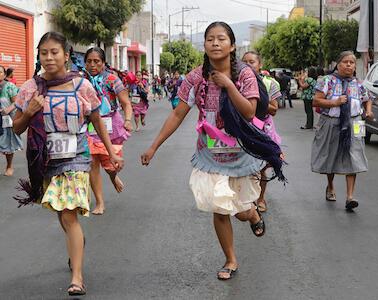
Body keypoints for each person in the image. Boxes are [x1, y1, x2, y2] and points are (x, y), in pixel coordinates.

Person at [141, 22, 268, 281]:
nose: (215, 43)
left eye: (221, 39)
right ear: (205, 45)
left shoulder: (244, 75)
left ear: (232, 45)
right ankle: (230, 259)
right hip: (210, 157)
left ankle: (252, 213)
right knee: (219, 208)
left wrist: (228, 85)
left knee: (241, 211)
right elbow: (178, 113)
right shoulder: (195, 77)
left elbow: (249, 111)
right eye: (210, 39)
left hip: (241, 154)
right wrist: (154, 146)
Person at [13, 32, 124, 296]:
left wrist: (111, 153)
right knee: (64, 214)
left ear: (66, 55)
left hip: (77, 157)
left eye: (54, 52)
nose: (49, 58)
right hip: (45, 159)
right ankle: (78, 245)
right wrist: (29, 112)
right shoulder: (30, 88)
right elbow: (17, 128)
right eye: (44, 53)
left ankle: (77, 277)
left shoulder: (82, 86)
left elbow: (97, 121)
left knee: (68, 212)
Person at [311, 51, 373, 210]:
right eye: (345, 62)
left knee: (355, 156)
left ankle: (350, 196)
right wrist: (335, 102)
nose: (348, 65)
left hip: (356, 122)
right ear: (337, 64)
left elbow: (367, 99)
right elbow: (316, 101)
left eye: (351, 62)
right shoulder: (327, 81)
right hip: (331, 122)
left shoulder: (358, 83)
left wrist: (369, 111)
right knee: (330, 155)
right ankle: (330, 185)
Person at [84, 47, 133, 215]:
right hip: (89, 126)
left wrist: (127, 120)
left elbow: (126, 103)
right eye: (89, 61)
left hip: (112, 126)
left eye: (96, 61)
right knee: (92, 163)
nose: (92, 65)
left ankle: (113, 176)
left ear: (103, 63)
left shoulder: (112, 79)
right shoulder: (81, 81)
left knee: (112, 165)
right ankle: (99, 202)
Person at [242, 51, 282, 213]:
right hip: (242, 129)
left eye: (252, 62)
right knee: (243, 166)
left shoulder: (269, 83)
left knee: (262, 167)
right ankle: (245, 199)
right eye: (245, 62)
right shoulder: (235, 81)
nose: (248, 65)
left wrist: (254, 102)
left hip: (263, 130)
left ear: (260, 65)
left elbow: (273, 109)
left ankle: (260, 198)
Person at [0, 65, 22, 176]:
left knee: (8, 144)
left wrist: (7, 109)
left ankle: (9, 166)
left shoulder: (9, 86)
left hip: (5, 119)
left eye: (0, 72)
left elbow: (16, 102)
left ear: (4, 74)